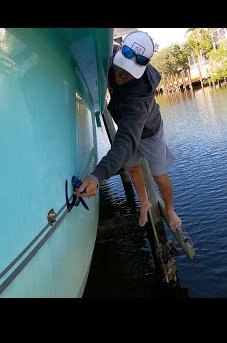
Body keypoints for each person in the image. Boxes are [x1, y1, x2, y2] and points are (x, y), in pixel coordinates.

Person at [75, 30, 182, 231]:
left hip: (149, 132)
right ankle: (145, 203)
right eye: (122, 68)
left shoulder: (140, 96)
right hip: (126, 125)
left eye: (130, 72)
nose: (123, 75)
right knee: (132, 168)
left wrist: (97, 176)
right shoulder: (110, 56)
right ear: (118, 54)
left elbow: (125, 142)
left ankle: (170, 209)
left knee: (159, 176)